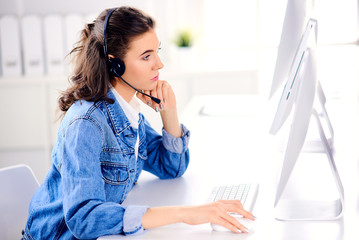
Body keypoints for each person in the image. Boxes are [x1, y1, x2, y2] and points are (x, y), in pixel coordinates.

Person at [22, 6, 254, 240]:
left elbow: (171, 167)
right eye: (146, 56)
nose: (159, 64)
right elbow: (85, 219)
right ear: (115, 64)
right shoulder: (86, 123)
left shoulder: (126, 110)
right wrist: (185, 213)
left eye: (157, 51)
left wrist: (169, 111)